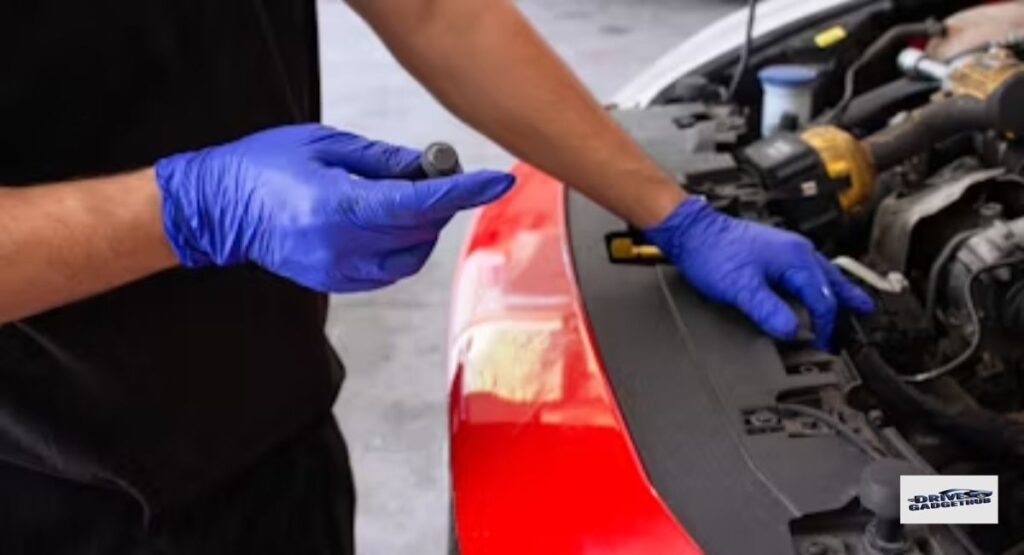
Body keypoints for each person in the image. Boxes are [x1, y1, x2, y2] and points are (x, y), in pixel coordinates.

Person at [0, 0, 871, 553]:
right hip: (55, 486)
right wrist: (189, 207)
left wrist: (672, 211)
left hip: (273, 444)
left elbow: (437, 12)